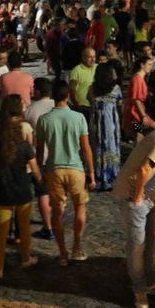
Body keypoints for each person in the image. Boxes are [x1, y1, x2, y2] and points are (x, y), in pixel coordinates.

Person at [112, 90, 155, 307]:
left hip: (147, 194)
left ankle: (149, 281)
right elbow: (145, 169)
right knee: (138, 244)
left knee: (148, 241)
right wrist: (138, 197)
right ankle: (139, 290)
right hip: (134, 193)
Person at [36, 80, 95, 266]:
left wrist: (40, 171)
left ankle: (62, 253)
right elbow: (86, 149)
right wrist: (91, 172)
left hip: (54, 168)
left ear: (53, 96)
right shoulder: (78, 118)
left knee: (57, 212)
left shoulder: (44, 120)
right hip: (76, 168)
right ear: (68, 96)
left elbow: (39, 149)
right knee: (80, 207)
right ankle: (77, 245)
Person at [0, 94, 41, 278]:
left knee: (2, 231)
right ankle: (25, 257)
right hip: (23, 191)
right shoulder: (25, 147)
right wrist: (42, 181)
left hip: (3, 191)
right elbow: (34, 170)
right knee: (24, 227)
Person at [90, 64, 123, 191]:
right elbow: (120, 104)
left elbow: (90, 101)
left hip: (97, 122)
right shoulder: (116, 89)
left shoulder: (92, 88)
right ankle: (112, 177)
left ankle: (100, 178)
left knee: (98, 148)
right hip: (112, 123)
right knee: (112, 147)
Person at [69, 46, 98, 119]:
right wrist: (77, 106)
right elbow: (72, 90)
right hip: (83, 107)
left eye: (94, 57)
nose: (93, 59)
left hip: (96, 105)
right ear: (83, 58)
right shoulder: (76, 70)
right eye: (90, 57)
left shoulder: (98, 67)